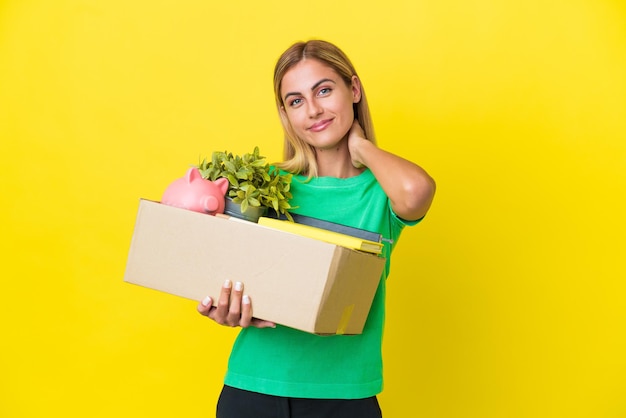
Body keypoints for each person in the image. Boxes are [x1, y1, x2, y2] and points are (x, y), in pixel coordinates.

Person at [197, 39, 436, 418]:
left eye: (324, 91)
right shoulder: (267, 185)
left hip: (345, 396)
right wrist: (224, 303)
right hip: (254, 387)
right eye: (295, 101)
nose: (313, 111)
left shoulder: (380, 191)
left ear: (353, 90)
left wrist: (363, 149)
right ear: (285, 114)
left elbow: (418, 191)